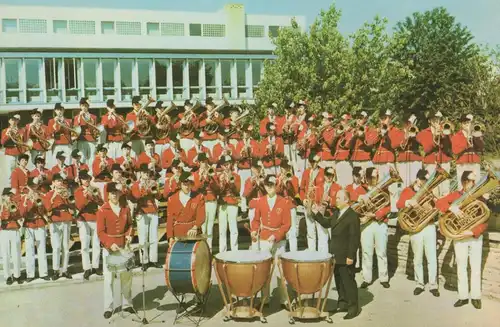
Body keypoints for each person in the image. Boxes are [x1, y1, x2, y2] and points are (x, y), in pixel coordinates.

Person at [436, 171, 488, 309]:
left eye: (475, 180)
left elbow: (485, 220)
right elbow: (439, 204)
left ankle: (476, 296)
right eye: (472, 180)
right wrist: (451, 208)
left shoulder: (480, 197)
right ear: (464, 182)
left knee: (476, 268)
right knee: (461, 267)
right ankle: (463, 296)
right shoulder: (456, 195)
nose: (474, 183)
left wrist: (472, 231)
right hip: (459, 236)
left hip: (474, 236)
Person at [311, 189, 361, 320]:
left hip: (346, 256)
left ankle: (353, 308)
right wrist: (316, 213)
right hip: (335, 254)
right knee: (339, 280)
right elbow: (327, 223)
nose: (336, 199)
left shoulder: (352, 216)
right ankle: (342, 303)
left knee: (348, 281)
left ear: (346, 200)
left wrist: (351, 256)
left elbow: (354, 238)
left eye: (339, 198)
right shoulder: (337, 213)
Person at [396, 169, 440, 297]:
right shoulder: (408, 191)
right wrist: (408, 202)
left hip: (429, 226)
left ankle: (433, 285)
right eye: (423, 180)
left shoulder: (430, 191)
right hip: (415, 227)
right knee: (418, 258)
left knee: (432, 257)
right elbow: (399, 204)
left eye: (427, 180)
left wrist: (435, 198)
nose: (425, 183)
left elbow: (438, 206)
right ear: (417, 179)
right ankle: (419, 284)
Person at [250, 175, 291, 307]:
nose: (269, 187)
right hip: (264, 238)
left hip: (279, 240)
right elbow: (256, 220)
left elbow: (287, 224)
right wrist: (254, 230)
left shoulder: (284, 202)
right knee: (264, 271)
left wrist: (277, 235)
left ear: (277, 186)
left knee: (281, 272)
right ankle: (265, 299)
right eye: (267, 185)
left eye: (272, 185)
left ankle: (284, 300)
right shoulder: (260, 201)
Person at [97, 182, 135, 319]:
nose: (115, 195)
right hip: (109, 249)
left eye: (117, 193)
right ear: (108, 195)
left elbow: (130, 225)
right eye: (112, 193)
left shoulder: (125, 208)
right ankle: (108, 306)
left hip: (124, 247)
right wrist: (109, 244)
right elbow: (100, 232)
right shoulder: (102, 210)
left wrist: (130, 235)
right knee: (109, 278)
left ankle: (127, 303)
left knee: (126, 276)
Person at [358, 167, 390, 289]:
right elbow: (353, 203)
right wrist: (360, 199)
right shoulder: (362, 189)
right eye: (372, 177)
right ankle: (367, 278)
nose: (375, 179)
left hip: (380, 223)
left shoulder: (384, 189)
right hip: (366, 223)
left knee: (382, 252)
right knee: (367, 252)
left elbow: (387, 206)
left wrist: (376, 214)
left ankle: (383, 278)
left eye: (376, 176)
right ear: (367, 177)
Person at [44, 173, 75, 280]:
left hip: (66, 219)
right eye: (57, 181)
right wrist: (54, 195)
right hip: (55, 220)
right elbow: (47, 208)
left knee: (65, 247)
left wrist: (67, 198)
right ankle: (56, 270)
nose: (60, 183)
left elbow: (72, 205)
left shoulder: (66, 193)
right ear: (53, 183)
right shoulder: (49, 194)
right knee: (56, 247)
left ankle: (65, 269)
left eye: (61, 181)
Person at [131, 164, 161, 270]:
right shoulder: (136, 184)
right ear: (140, 174)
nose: (146, 175)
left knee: (153, 237)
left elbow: (159, 196)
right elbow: (136, 197)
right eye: (144, 173)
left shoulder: (153, 182)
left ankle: (154, 259)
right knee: (143, 238)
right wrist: (145, 189)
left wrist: (156, 190)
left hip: (152, 210)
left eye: (148, 173)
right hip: (141, 211)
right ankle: (144, 261)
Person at [74, 171, 104, 280]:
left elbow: (101, 202)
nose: (86, 180)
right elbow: (79, 206)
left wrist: (93, 196)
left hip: (95, 217)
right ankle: (87, 268)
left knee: (96, 243)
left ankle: (96, 266)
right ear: (81, 180)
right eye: (84, 179)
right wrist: (86, 197)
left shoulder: (94, 189)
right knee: (85, 245)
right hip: (83, 219)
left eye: (87, 178)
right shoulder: (78, 191)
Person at [22, 180, 50, 282]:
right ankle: (30, 274)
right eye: (31, 186)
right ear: (28, 187)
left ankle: (44, 273)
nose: (33, 188)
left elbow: (45, 210)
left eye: (35, 186)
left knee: (41, 248)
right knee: (29, 250)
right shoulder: (24, 197)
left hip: (40, 224)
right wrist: (26, 202)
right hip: (29, 225)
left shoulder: (41, 196)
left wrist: (39, 203)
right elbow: (22, 213)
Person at [166, 171, 205, 242]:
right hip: (178, 234)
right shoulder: (172, 199)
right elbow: (170, 220)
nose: (187, 187)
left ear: (192, 185)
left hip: (194, 233)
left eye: (189, 184)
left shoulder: (199, 197)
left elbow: (201, 216)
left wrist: (195, 227)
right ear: (180, 185)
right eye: (184, 184)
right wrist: (170, 237)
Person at [193, 153, 219, 249]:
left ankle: (210, 249)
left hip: (211, 200)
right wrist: (200, 178)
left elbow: (217, 188)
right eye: (203, 162)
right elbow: (195, 189)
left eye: (206, 161)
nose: (205, 164)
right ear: (199, 163)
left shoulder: (212, 172)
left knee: (210, 226)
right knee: (203, 226)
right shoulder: (195, 174)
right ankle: (203, 248)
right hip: (202, 201)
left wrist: (210, 177)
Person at [216, 155, 241, 253]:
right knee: (222, 229)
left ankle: (235, 251)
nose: (226, 166)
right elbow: (217, 191)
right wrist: (221, 182)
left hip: (232, 202)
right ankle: (222, 251)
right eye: (224, 165)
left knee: (233, 228)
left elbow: (237, 190)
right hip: (222, 203)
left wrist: (231, 182)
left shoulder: (236, 176)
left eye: (228, 164)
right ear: (221, 166)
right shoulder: (218, 176)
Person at [452, 114, 484, 188]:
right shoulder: (456, 136)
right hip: (462, 163)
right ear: (461, 124)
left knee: (476, 185)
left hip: (474, 162)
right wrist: (466, 145)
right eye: (464, 123)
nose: (467, 124)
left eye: (468, 123)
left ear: (471, 124)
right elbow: (455, 150)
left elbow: (481, 147)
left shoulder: (475, 134)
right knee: (462, 186)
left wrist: (477, 137)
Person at [1, 188, 24, 285]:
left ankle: (17, 275)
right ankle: (7, 276)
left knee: (16, 254)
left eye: (11, 195)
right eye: (8, 195)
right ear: (3, 196)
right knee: (6, 255)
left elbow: (19, 215)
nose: (10, 197)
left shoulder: (15, 204)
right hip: (4, 230)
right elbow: (3, 217)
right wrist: (4, 207)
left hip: (14, 229)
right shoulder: (1, 205)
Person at [74, 98, 98, 170]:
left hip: (91, 139)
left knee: (92, 157)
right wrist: (79, 117)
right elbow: (75, 128)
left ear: (88, 107)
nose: (84, 107)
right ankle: (82, 172)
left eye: (86, 106)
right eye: (83, 106)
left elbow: (95, 129)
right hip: (81, 139)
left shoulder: (93, 117)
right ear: (80, 107)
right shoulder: (76, 117)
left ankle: (91, 172)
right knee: (82, 157)